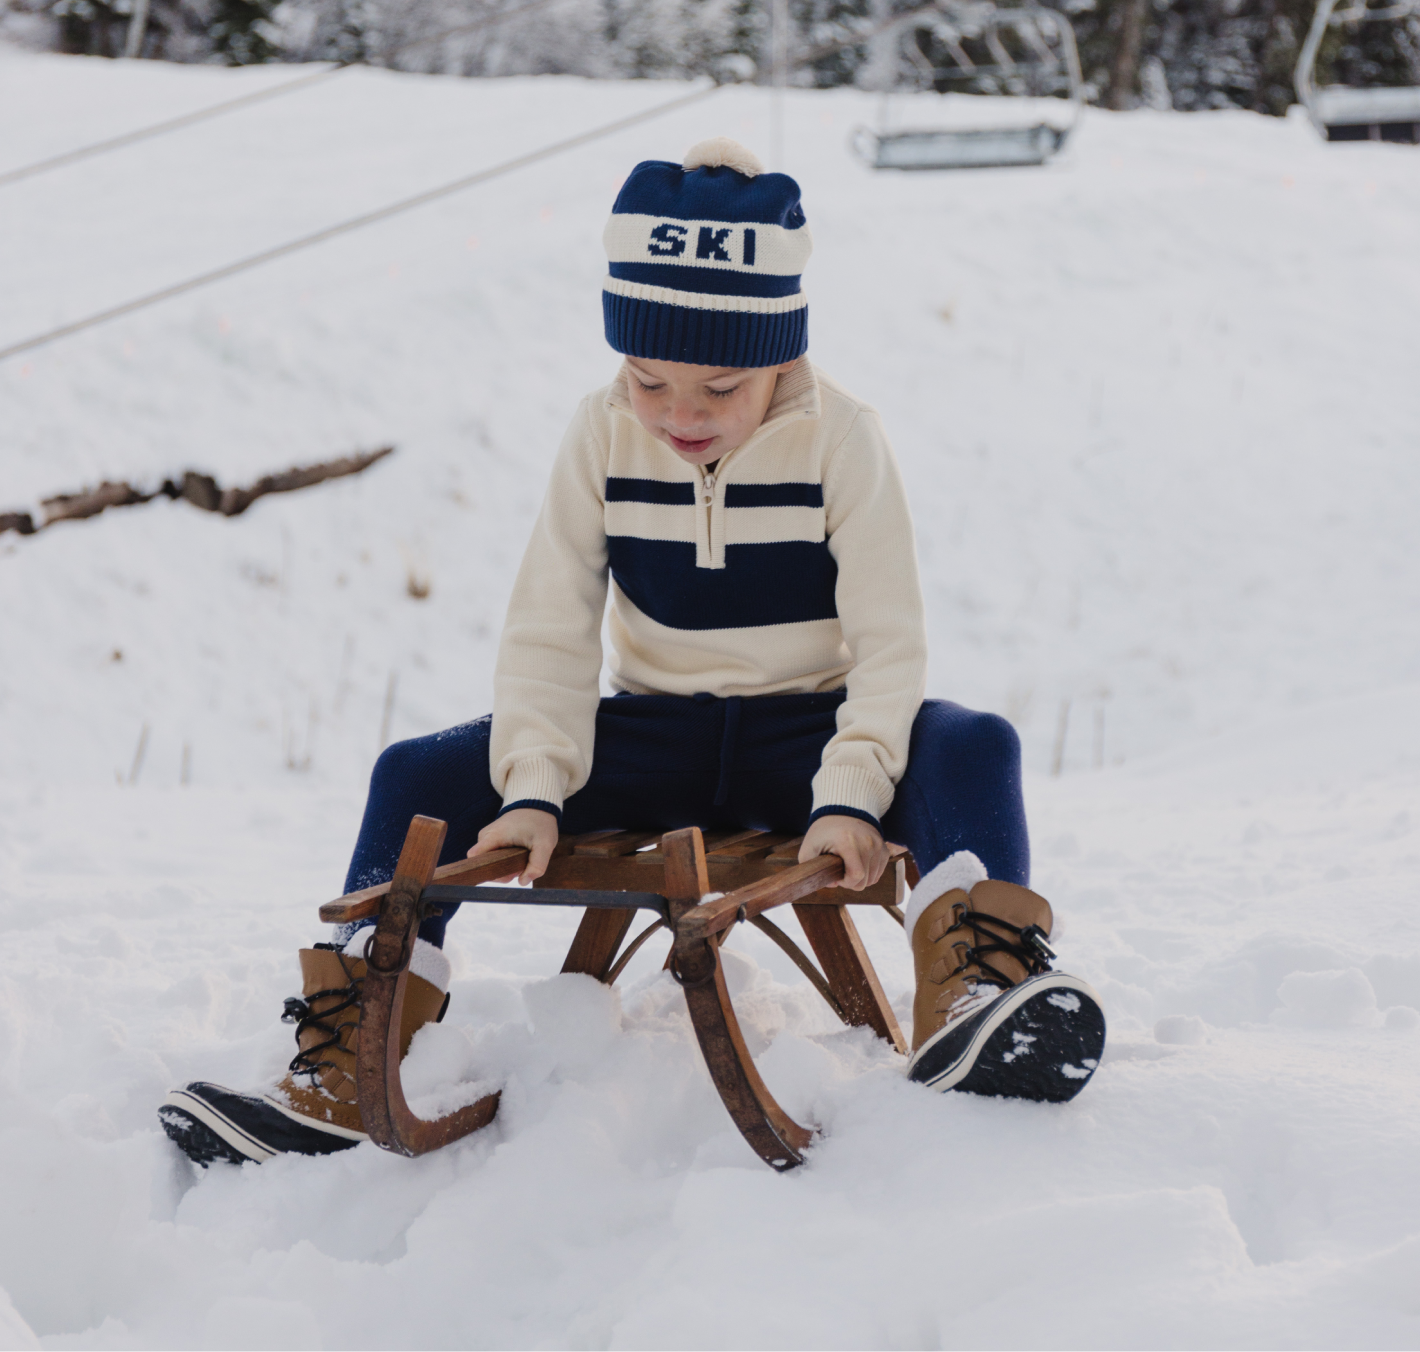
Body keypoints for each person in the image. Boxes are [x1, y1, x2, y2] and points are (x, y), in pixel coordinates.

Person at [159, 138, 1105, 1167]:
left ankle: (980, 997)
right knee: (415, 772)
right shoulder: (601, 436)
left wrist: (848, 792)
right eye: (649, 380)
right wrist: (532, 784)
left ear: (780, 355)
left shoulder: (844, 439)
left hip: (809, 736)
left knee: (974, 743)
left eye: (716, 388)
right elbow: (550, 627)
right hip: (653, 737)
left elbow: (889, 643)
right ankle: (345, 1061)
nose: (678, 416)